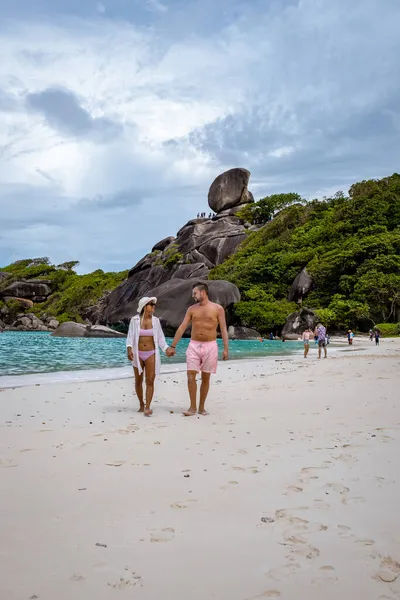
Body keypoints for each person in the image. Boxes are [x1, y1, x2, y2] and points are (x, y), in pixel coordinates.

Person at [167, 282, 229, 416]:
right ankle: (192, 407)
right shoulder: (191, 309)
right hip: (194, 345)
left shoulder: (217, 309)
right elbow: (183, 327)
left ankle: (201, 407)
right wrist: (173, 345)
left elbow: (223, 329)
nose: (193, 296)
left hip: (210, 345)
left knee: (206, 377)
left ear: (203, 292)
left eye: (194, 293)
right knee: (190, 375)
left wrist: (225, 348)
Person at [126, 296, 172, 416]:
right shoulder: (134, 320)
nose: (153, 306)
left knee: (150, 381)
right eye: (151, 304)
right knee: (138, 381)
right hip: (138, 354)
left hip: (151, 353)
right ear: (144, 306)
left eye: (153, 305)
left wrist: (166, 349)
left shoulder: (156, 321)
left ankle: (147, 407)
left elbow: (161, 339)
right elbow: (130, 337)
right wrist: (129, 348)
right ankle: (141, 404)